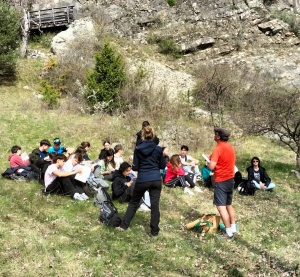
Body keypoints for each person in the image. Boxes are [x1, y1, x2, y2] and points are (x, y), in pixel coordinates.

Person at [117, 126, 166, 236]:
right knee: (155, 205)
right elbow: (162, 165)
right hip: (156, 179)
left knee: (134, 202)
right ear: (153, 135)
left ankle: (124, 226)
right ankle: (154, 232)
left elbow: (134, 168)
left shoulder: (138, 149)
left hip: (143, 178)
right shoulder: (158, 149)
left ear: (143, 135)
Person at [207, 127, 237, 240]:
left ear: (218, 136)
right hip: (230, 179)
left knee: (221, 207)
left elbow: (211, 167)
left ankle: (229, 233)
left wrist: (208, 162)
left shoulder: (218, 148)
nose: (214, 136)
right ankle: (233, 227)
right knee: (228, 205)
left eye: (215, 134)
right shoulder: (230, 147)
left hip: (221, 180)